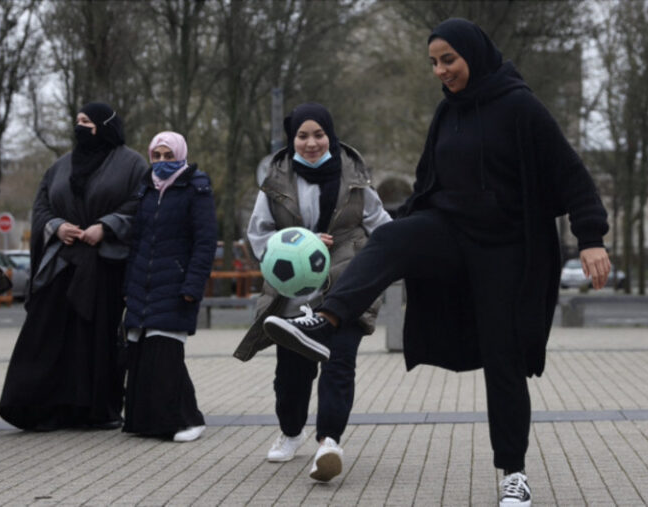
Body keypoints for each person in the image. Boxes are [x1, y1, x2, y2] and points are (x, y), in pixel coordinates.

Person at [261, 19, 611, 507]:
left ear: (473, 53)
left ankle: (514, 473)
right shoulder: (448, 114)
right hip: (450, 231)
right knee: (392, 237)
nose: (440, 70)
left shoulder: (520, 106)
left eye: (448, 59)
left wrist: (591, 236)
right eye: (433, 62)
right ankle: (326, 319)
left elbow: (571, 174)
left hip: (506, 250)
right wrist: (396, 225)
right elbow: (428, 186)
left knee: (503, 360)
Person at [235, 103, 391, 482]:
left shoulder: (355, 177)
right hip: (293, 292)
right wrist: (299, 242)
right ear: (292, 141)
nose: (311, 143)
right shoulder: (275, 180)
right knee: (291, 373)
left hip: (347, 286)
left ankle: (329, 442)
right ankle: (291, 432)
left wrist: (378, 261)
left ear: (331, 135)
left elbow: (382, 226)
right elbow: (259, 234)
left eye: (318, 134)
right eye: (302, 136)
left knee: (339, 365)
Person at [0, 103, 146, 431]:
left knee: (96, 341)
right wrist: (56, 226)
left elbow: (141, 203)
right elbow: (41, 206)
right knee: (45, 334)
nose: (80, 127)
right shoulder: (60, 166)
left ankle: (94, 411)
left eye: (87, 122)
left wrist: (105, 226)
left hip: (104, 267)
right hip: (61, 266)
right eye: (77, 121)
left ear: (105, 126)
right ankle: (38, 407)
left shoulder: (132, 163)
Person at [122, 131, 216, 442]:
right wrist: (128, 284)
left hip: (175, 285)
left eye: (169, 155)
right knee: (141, 355)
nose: (162, 162)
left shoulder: (197, 188)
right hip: (142, 288)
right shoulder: (145, 189)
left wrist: (192, 285)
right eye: (157, 156)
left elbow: (204, 243)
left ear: (181, 155)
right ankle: (145, 422)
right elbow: (137, 241)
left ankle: (187, 420)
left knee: (166, 357)